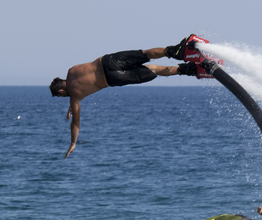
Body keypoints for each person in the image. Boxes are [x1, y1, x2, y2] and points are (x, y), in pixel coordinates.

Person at [49, 37, 210, 159]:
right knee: (145, 54)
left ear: (62, 90)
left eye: (61, 95)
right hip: (108, 61)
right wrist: (72, 102)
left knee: (153, 70)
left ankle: (190, 69)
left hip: (112, 78)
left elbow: (75, 123)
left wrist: (73, 143)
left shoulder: (75, 97)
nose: (63, 97)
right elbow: (77, 84)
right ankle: (180, 50)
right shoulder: (71, 71)